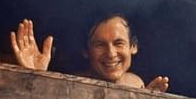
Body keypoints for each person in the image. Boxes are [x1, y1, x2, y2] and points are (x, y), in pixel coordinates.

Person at [10, 15, 169, 92]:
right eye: (100, 45)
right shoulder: (73, 84)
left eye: (118, 43)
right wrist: (35, 76)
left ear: (133, 47)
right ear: (86, 51)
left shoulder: (137, 83)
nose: (111, 53)